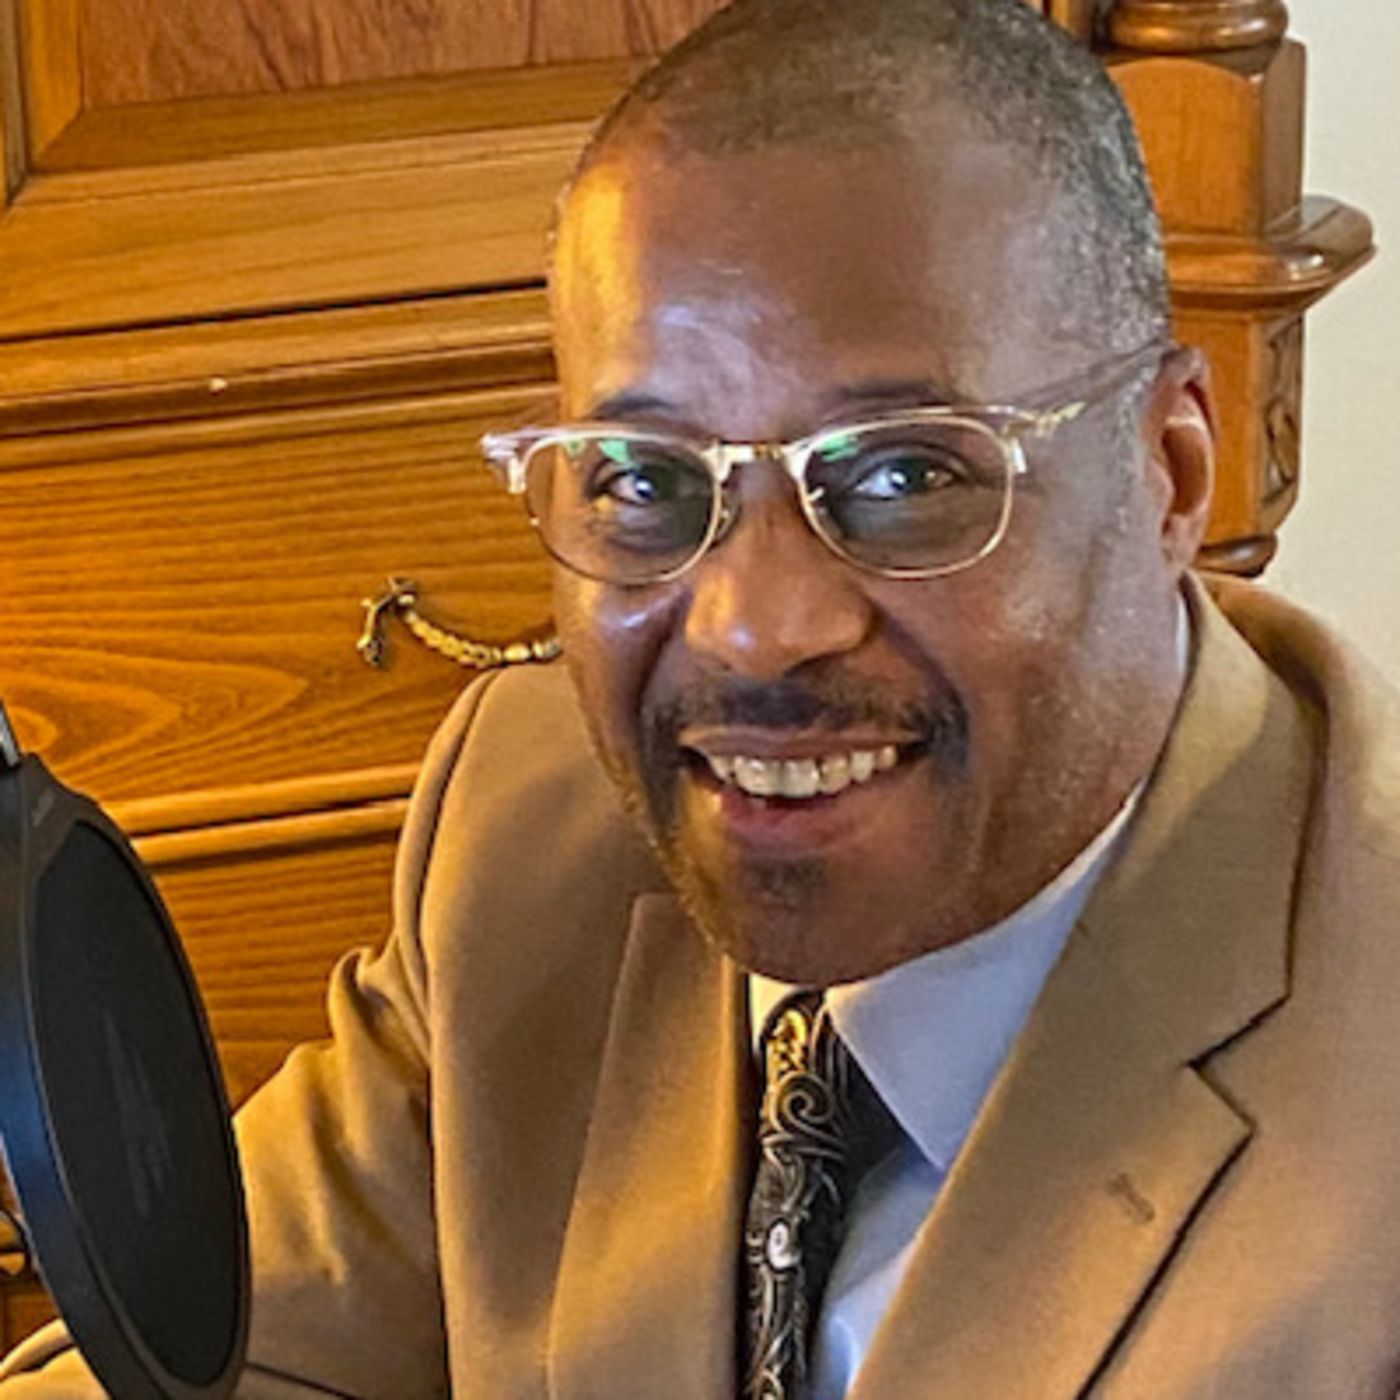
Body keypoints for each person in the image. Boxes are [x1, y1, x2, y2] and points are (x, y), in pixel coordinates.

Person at [6, 0, 1400, 1395]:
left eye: (904, 475)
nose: (753, 628)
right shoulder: (530, 831)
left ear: (1169, 471)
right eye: (645, 480)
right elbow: (192, 1362)